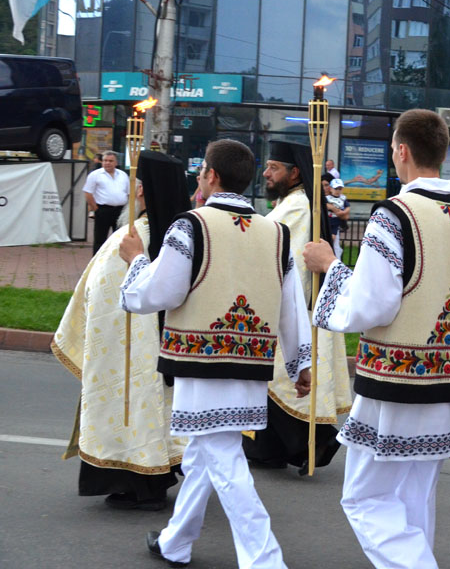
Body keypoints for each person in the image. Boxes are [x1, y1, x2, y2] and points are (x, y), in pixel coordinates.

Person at [302, 109, 450, 569]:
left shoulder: (394, 214)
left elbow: (372, 305)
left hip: (399, 379)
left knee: (365, 498)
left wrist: (330, 268)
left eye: (393, 147)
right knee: (415, 498)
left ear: (402, 151)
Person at [118, 138, 313, 569]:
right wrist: (301, 362)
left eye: (203, 170)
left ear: (211, 175)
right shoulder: (275, 232)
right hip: (250, 361)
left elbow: (160, 291)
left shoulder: (192, 225)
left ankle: (265, 559)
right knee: (205, 451)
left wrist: (135, 262)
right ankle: (176, 541)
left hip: (202, 362)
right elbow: (290, 302)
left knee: (221, 455)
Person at [52, 152, 191, 510]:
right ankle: (151, 479)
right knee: (153, 407)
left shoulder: (131, 237)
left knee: (132, 406)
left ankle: (140, 484)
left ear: (143, 192)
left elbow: (99, 289)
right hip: (162, 350)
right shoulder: (184, 239)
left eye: (136, 185)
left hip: (126, 347)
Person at [244, 141, 352, 474]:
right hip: (294, 310)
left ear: (294, 173)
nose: (266, 173)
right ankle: (271, 450)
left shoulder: (298, 207)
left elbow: (277, 258)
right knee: (277, 381)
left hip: (292, 312)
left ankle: (311, 443)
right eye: (266, 166)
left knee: (282, 378)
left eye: (274, 167)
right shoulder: (296, 203)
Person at [84, 151, 129, 254]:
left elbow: (128, 193)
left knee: (120, 238)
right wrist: (96, 209)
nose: (107, 163)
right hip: (103, 210)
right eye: (105, 160)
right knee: (100, 239)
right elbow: (88, 192)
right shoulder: (95, 175)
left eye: (110, 161)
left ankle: (117, 263)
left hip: (120, 211)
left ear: (116, 162)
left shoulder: (123, 175)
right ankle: (97, 265)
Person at [322, 174, 350, 260]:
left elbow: (345, 216)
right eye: (322, 186)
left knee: (334, 246)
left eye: (326, 185)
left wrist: (340, 212)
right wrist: (332, 208)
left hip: (334, 223)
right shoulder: (324, 198)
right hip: (323, 225)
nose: (324, 188)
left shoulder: (341, 199)